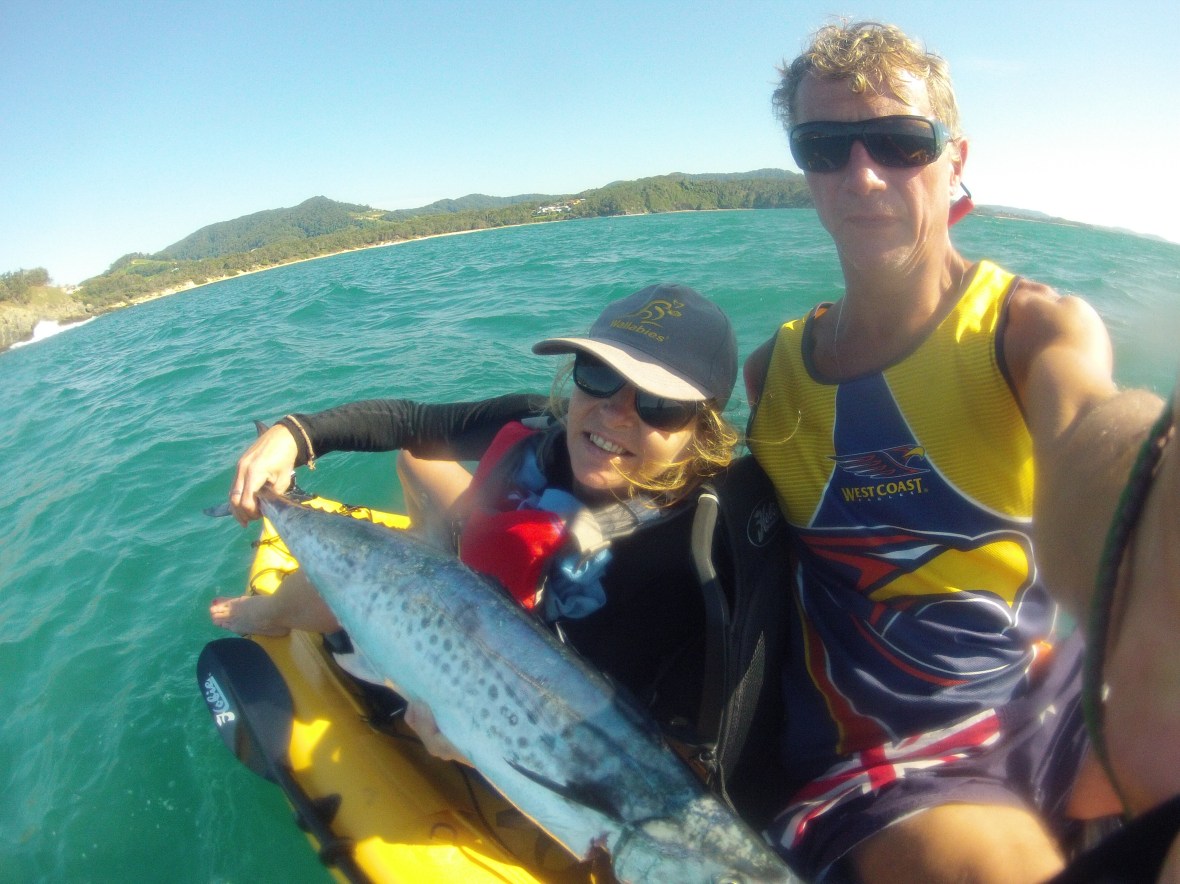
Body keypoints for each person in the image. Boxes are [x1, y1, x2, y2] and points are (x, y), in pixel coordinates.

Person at [744, 19, 1178, 883]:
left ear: (954, 158)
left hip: (1049, 704)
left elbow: (1092, 436)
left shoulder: (1029, 331)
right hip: (888, 752)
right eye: (824, 147)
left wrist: (1156, 502)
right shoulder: (774, 372)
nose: (862, 174)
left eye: (901, 142)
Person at [212, 282, 748, 767]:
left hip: (514, 670)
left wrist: (476, 745)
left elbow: (657, 741)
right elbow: (412, 422)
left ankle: (272, 611)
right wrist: (294, 434)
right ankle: (427, 547)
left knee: (349, 583)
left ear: (702, 428)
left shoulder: (692, 549)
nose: (614, 413)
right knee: (417, 460)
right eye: (600, 375)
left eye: (657, 403)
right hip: (494, 566)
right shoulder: (544, 423)